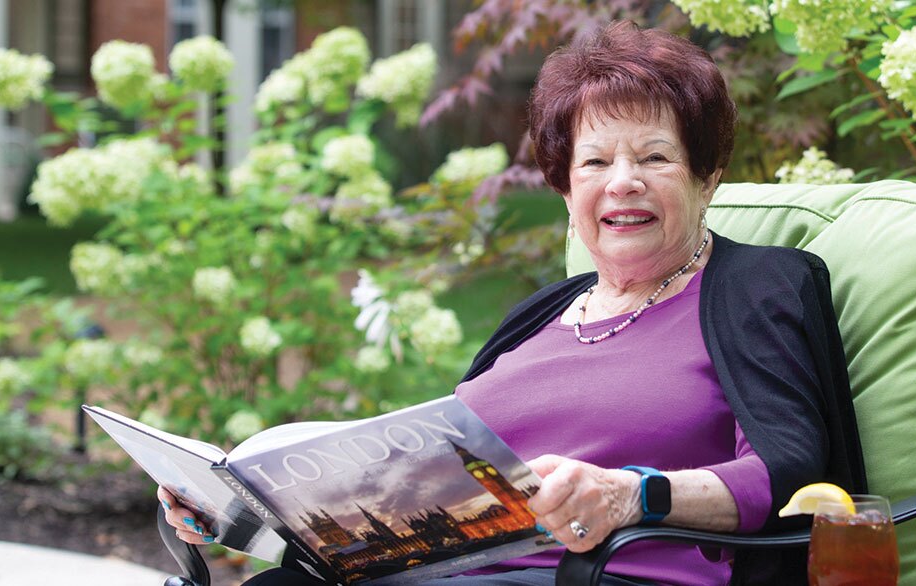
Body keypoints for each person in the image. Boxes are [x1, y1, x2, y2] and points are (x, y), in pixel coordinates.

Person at [160, 20, 867, 585]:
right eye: (594, 163)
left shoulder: (756, 285)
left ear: (707, 176)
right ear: (565, 188)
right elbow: (427, 482)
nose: (622, 183)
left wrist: (632, 494)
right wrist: (242, 511)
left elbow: (790, 470)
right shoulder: (539, 317)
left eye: (654, 157)